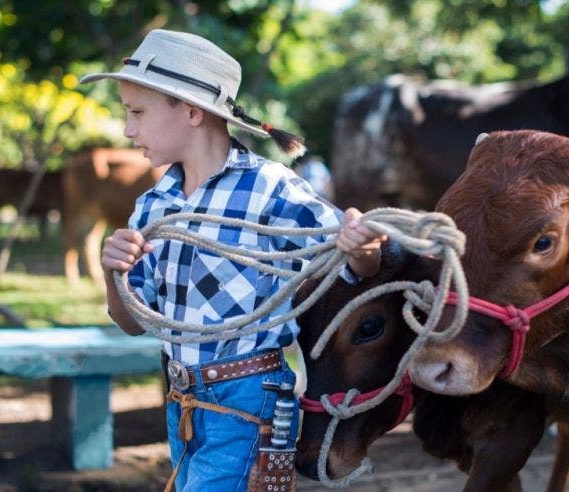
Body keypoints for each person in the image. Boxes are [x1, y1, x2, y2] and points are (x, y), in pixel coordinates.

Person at [82, 29, 385, 491]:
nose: (128, 129)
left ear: (191, 111)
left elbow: (352, 264)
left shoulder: (272, 188)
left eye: (136, 112)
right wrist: (113, 274)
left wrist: (363, 248)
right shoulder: (154, 206)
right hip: (182, 395)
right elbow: (131, 321)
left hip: (248, 394)